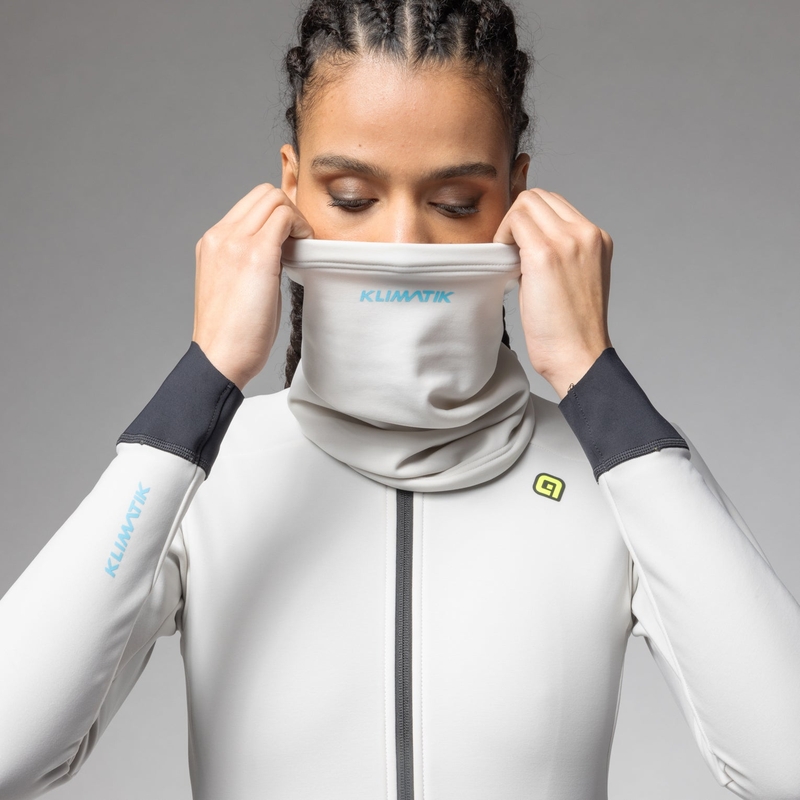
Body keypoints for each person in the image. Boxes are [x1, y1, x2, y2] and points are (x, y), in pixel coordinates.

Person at [1, 1, 799, 798]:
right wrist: (204, 381)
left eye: (455, 204)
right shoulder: (204, 478)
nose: (402, 248)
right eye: (352, 198)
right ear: (290, 191)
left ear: (516, 200)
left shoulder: (613, 479)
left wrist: (594, 378)